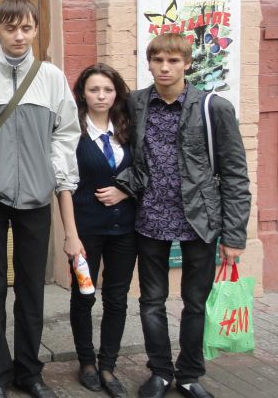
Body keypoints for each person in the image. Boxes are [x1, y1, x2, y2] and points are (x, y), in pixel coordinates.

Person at [0, 0, 82, 398]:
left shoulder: (51, 78)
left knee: (30, 289)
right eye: (10, 28)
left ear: (36, 29)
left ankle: (29, 372)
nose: (19, 36)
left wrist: (50, 174)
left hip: (35, 199)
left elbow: (67, 133)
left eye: (26, 28)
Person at [117, 33, 250, 398]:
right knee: (151, 302)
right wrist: (122, 186)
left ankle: (190, 374)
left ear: (188, 64)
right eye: (158, 60)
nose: (165, 67)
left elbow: (235, 174)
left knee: (195, 303)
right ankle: (160, 372)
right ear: (148, 63)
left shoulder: (213, 107)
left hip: (199, 220)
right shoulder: (136, 103)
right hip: (150, 218)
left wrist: (234, 236)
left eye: (173, 61)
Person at [68, 63, 137, 398]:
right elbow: (64, 184)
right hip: (85, 233)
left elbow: (145, 169)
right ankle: (86, 362)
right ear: (83, 93)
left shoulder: (128, 128)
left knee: (116, 298)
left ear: (116, 93)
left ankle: (108, 365)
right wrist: (70, 235)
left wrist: (125, 190)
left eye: (108, 90)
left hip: (125, 231)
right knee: (84, 295)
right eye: (94, 89)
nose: (101, 96)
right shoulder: (73, 132)